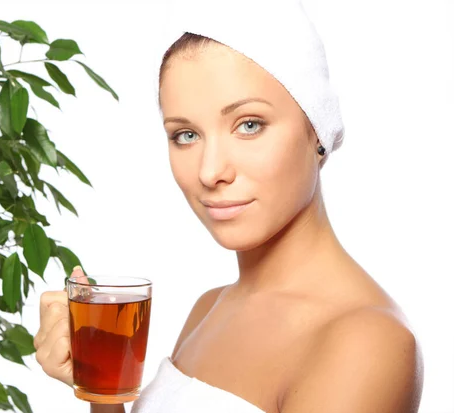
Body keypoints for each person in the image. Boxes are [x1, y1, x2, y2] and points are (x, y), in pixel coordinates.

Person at [34, 1, 424, 412]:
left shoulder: (365, 343)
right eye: (186, 135)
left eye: (249, 125)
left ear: (318, 130)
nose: (210, 170)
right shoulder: (208, 309)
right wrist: (102, 386)